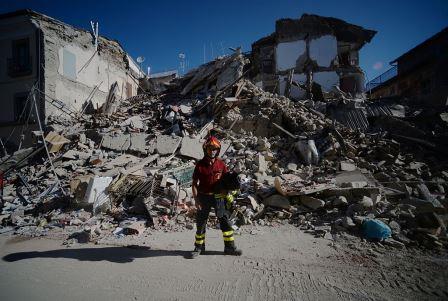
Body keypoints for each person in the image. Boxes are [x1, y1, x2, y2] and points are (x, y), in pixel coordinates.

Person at [189, 136, 242, 258]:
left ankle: (229, 247)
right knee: (201, 223)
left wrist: (227, 191)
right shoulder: (200, 165)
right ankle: (198, 248)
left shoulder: (221, 165)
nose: (212, 151)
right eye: (210, 148)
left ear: (218, 150)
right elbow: (194, 184)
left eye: (215, 149)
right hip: (203, 197)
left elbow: (226, 181)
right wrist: (196, 200)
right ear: (205, 149)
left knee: (225, 221)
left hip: (218, 198)